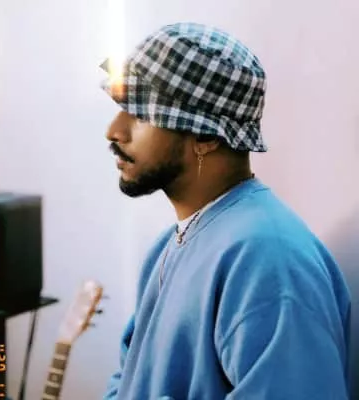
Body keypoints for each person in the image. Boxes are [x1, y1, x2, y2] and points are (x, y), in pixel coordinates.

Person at [100, 22, 351, 400]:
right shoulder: (169, 246)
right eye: (121, 108)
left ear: (206, 135)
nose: (114, 130)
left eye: (140, 113)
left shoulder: (267, 260)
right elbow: (128, 381)